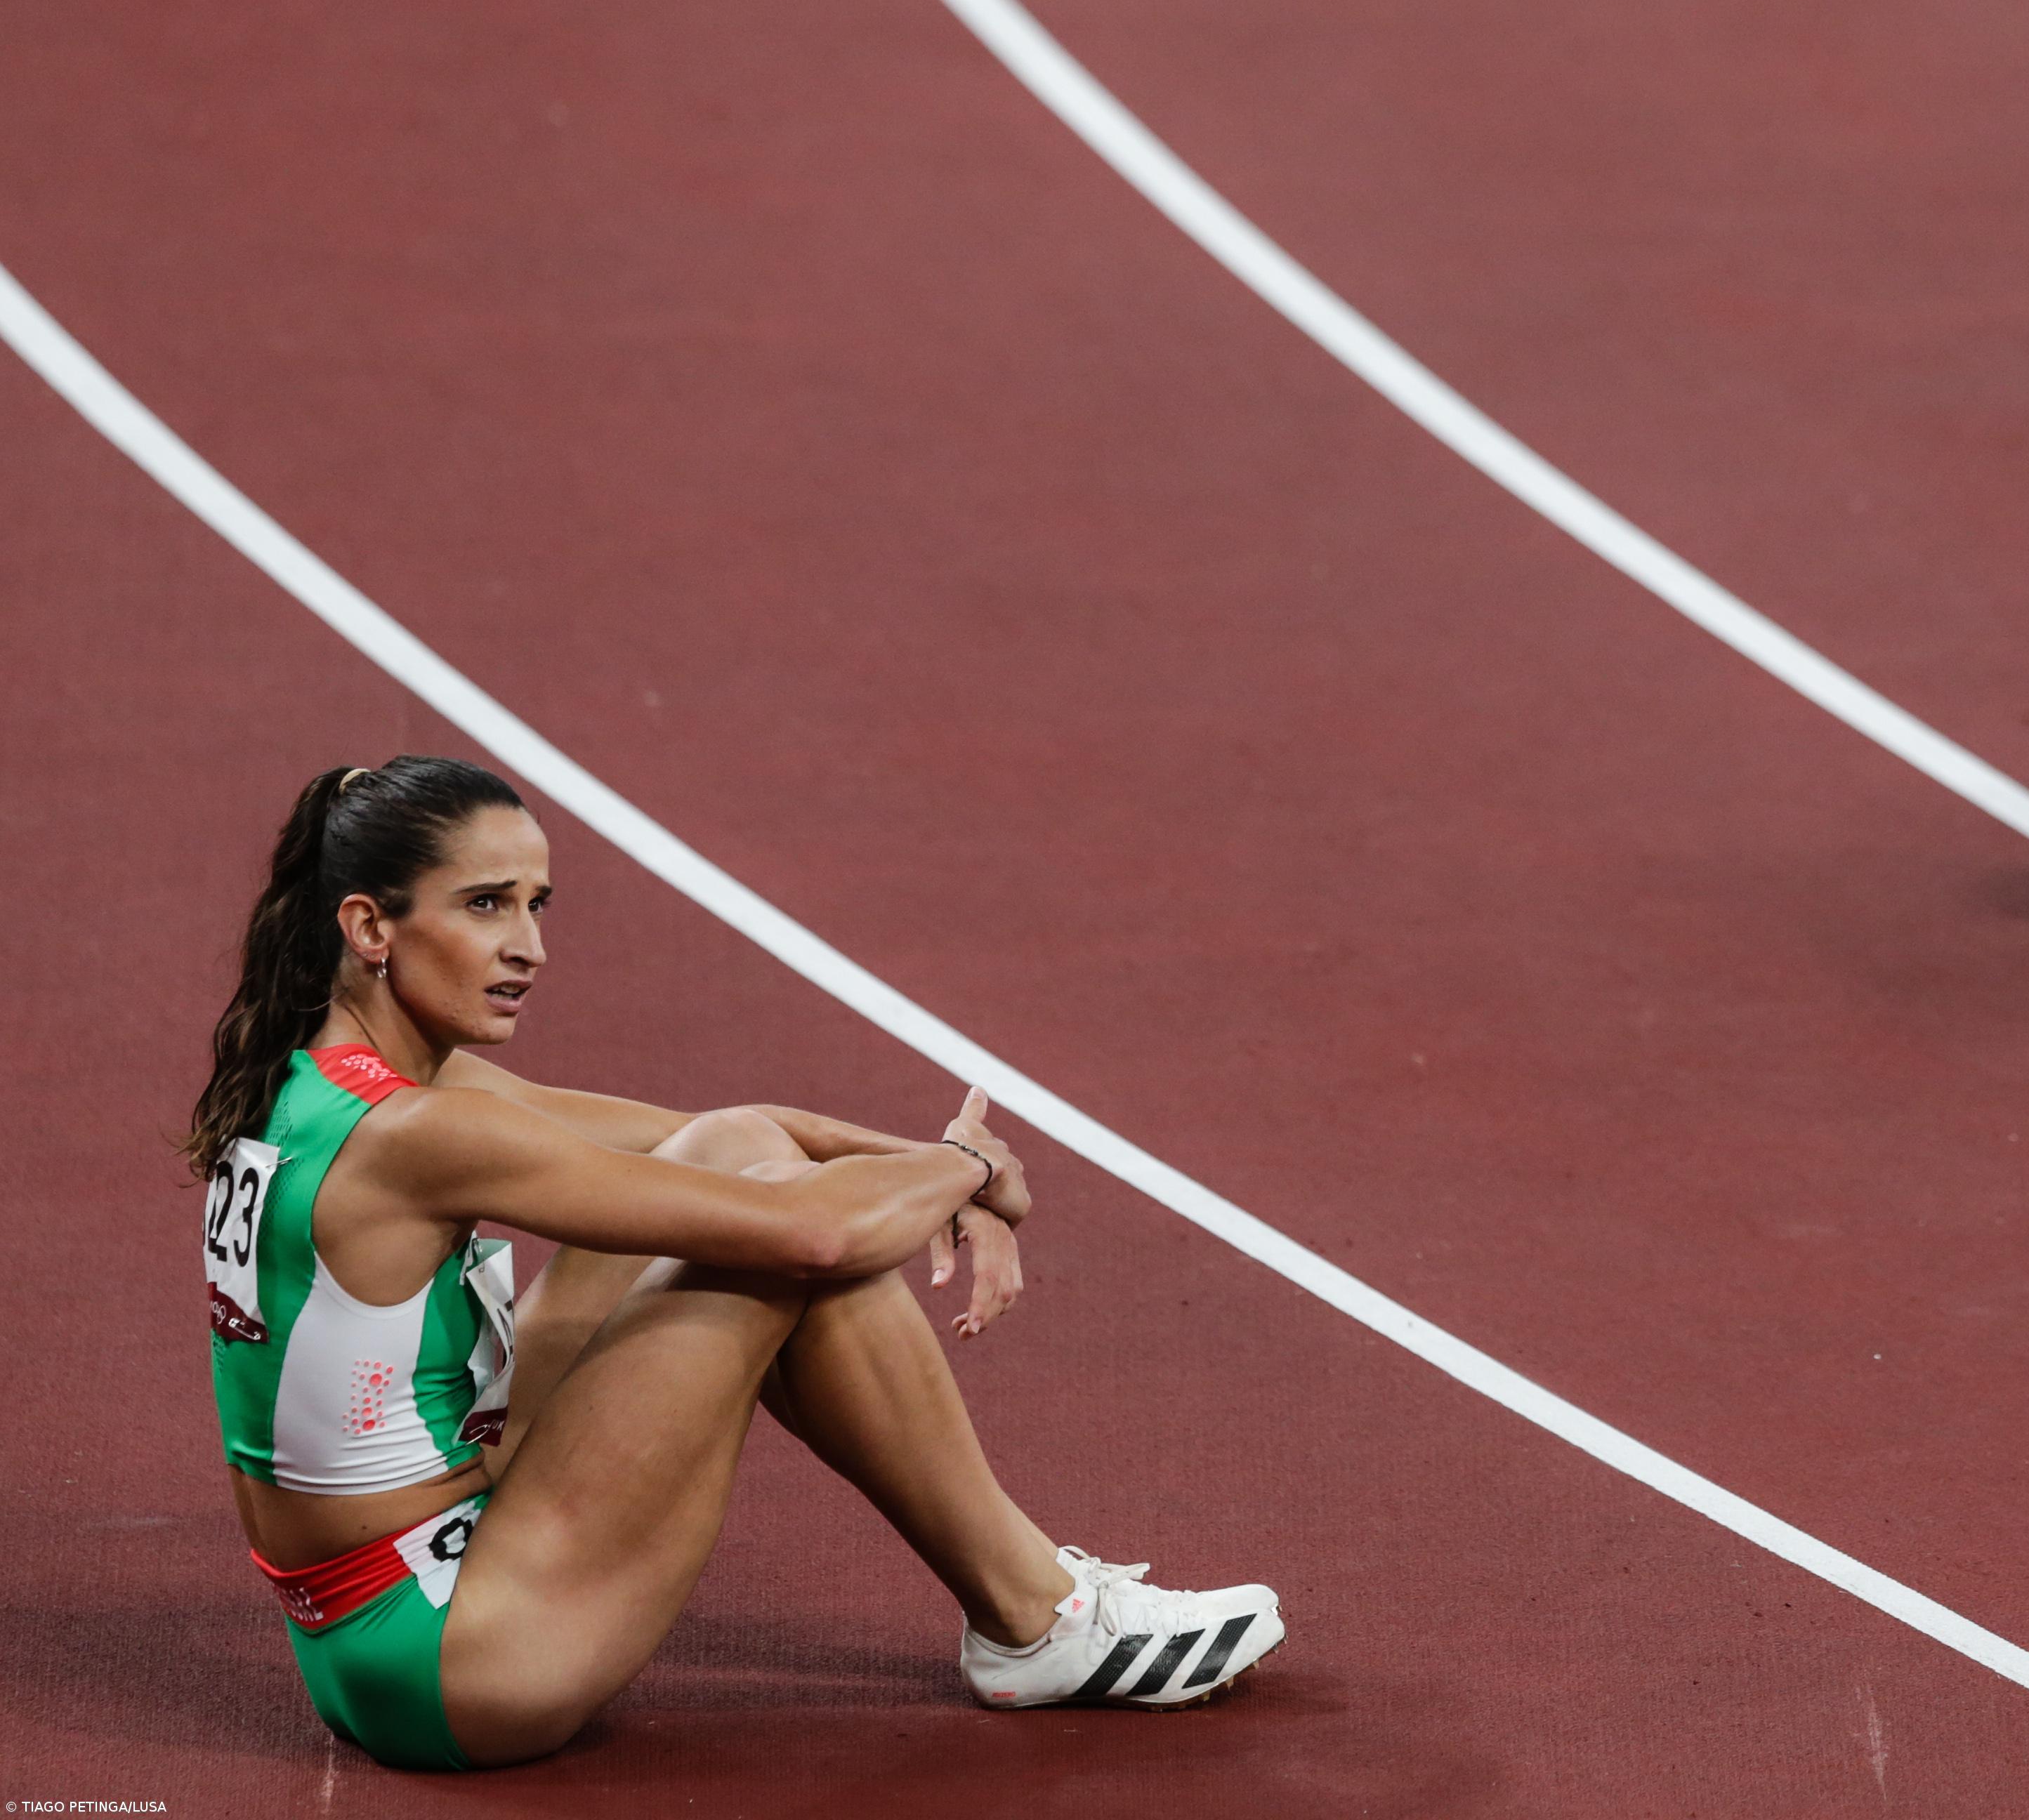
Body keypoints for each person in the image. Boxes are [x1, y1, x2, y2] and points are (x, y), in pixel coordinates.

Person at [194, 756, 1285, 1771]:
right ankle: (1037, 1619)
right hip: (454, 1660)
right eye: (486, 906)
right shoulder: (426, 1134)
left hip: (372, 1622)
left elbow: (724, 1131)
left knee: (736, 1153)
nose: (530, 947)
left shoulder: (333, 1081)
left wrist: (945, 1175)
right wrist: (968, 1169)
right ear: (370, 927)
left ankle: (1031, 1612)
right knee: (783, 1247)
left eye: (537, 905)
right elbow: (819, 1235)